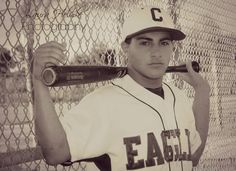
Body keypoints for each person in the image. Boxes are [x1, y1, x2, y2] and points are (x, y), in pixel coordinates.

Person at [33, 6, 210, 171]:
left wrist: (202, 91)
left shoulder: (179, 98)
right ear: (125, 47)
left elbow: (193, 155)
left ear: (172, 47)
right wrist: (39, 82)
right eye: (145, 43)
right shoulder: (104, 103)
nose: (156, 53)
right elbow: (55, 153)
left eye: (164, 43)